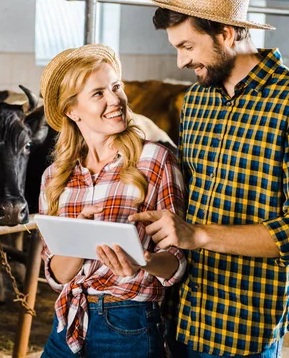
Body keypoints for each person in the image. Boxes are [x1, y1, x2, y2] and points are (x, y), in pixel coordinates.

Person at [131, 0, 289, 358]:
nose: (179, 62)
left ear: (225, 34)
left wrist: (199, 235)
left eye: (188, 47)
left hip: (243, 318)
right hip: (183, 305)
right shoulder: (195, 101)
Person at [37, 44, 187, 358]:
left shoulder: (154, 160)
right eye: (98, 93)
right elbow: (57, 275)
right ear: (71, 110)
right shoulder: (54, 177)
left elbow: (175, 262)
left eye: (116, 87)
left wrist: (142, 261)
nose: (115, 99)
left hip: (128, 324)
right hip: (67, 321)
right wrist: (77, 241)